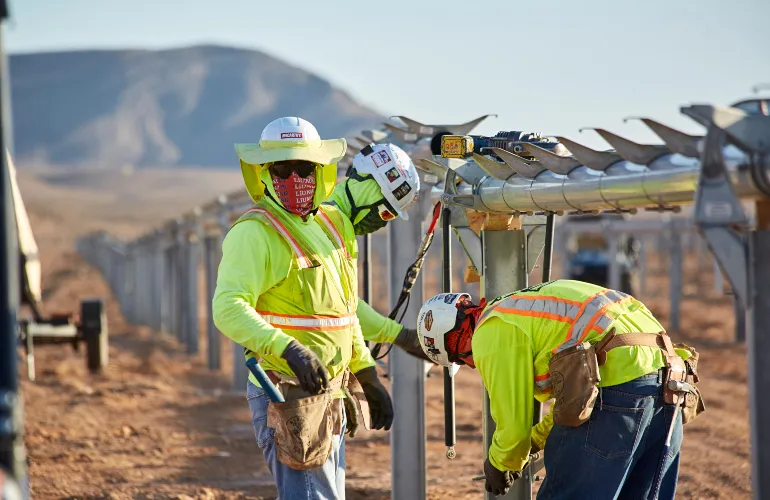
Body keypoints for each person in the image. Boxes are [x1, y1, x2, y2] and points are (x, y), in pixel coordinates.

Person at [213, 117, 394, 499]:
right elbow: (227, 307)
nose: (294, 178)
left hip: (331, 394)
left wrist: (367, 373)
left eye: (304, 168)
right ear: (264, 173)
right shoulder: (255, 232)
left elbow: (343, 312)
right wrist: (286, 347)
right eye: (282, 169)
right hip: (287, 394)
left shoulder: (330, 226)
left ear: (321, 170)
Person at [415, 279, 703, 499]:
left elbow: (512, 429)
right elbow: (575, 396)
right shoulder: (520, 308)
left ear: (453, 340)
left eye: (461, 359)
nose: (472, 364)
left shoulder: (490, 331)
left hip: (618, 393)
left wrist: (499, 464)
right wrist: (538, 439)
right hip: (670, 383)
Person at [323, 142, 428, 361]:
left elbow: (345, 306)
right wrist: (400, 336)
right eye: (386, 213)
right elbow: (336, 305)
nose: (381, 223)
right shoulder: (325, 226)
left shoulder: (339, 227)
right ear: (369, 189)